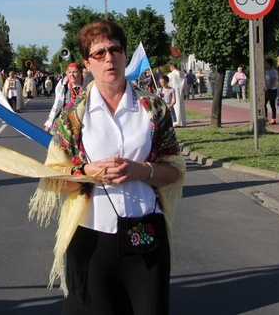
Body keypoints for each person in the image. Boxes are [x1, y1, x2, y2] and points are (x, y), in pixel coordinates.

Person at [29, 20, 185, 313]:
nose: (109, 58)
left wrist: (142, 171)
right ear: (87, 63)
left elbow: (175, 169)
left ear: (125, 55)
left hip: (147, 234)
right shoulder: (72, 116)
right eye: (99, 53)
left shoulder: (154, 108)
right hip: (91, 238)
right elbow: (52, 176)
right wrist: (86, 174)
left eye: (115, 50)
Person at [44, 63, 83, 132]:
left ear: (80, 73)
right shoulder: (64, 86)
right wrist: (48, 125)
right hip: (67, 121)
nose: (72, 75)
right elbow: (57, 104)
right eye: (69, 72)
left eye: (75, 72)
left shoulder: (87, 86)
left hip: (83, 121)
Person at [168, 62, 186, 127]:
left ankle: (176, 122)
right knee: (181, 107)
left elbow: (168, 84)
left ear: (172, 67)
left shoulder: (171, 75)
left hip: (174, 92)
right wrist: (186, 92)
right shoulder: (182, 74)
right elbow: (185, 83)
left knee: (175, 107)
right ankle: (182, 122)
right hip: (181, 92)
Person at [264, 58, 279, 125]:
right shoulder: (267, 71)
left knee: (272, 104)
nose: (264, 64)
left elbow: (272, 82)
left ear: (269, 64)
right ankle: (265, 117)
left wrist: (267, 88)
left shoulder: (273, 72)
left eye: (266, 63)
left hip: (272, 90)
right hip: (267, 89)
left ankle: (273, 118)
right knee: (263, 104)